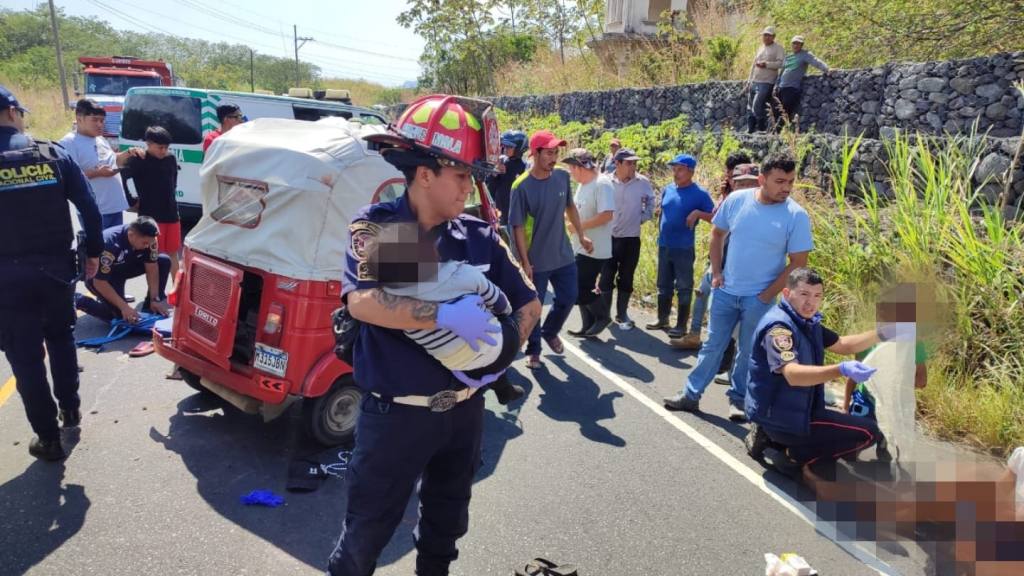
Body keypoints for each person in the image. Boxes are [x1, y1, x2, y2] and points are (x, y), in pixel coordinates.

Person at [326, 94, 541, 576]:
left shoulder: (477, 236)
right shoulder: (388, 228)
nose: (471, 186)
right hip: (397, 417)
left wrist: (499, 351)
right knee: (365, 536)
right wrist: (442, 317)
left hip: (465, 411)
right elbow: (365, 302)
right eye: (462, 175)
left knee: (445, 530)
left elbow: (529, 303)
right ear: (425, 173)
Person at [664, 153, 813, 421]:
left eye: (790, 181)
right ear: (761, 179)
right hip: (726, 292)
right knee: (712, 345)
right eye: (779, 181)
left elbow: (798, 263)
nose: (786, 188)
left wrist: (767, 294)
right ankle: (690, 394)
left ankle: (738, 400)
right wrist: (717, 273)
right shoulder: (736, 200)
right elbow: (717, 233)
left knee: (748, 351)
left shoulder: (795, 215)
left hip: (759, 299)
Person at [0, 85, 103, 461]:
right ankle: (70, 409)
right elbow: (89, 208)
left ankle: (48, 438)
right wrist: (94, 253)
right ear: (13, 112)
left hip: (5, 281)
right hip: (55, 271)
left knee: (24, 357)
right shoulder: (51, 153)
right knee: (60, 338)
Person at [742, 268, 915, 479]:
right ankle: (792, 455)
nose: (811, 303)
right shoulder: (779, 328)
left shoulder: (805, 321)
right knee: (869, 432)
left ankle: (771, 437)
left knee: (856, 428)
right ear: (787, 294)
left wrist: (885, 332)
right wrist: (840, 370)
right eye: (804, 294)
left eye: (817, 296)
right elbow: (792, 374)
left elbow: (843, 344)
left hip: (792, 410)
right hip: (784, 416)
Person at [510, 130, 592, 370]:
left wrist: (581, 234)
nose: (554, 157)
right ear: (535, 154)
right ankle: (533, 350)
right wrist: (524, 261)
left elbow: (570, 207)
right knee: (534, 308)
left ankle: (551, 331)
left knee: (569, 297)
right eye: (549, 152)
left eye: (556, 152)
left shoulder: (561, 177)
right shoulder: (521, 186)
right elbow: (516, 227)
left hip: (563, 254)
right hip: (536, 259)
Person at [671, 155, 755, 351]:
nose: (729, 175)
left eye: (733, 171)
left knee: (723, 308)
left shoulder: (749, 202)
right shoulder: (727, 193)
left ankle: (724, 352)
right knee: (701, 293)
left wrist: (700, 214)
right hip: (718, 258)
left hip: (733, 263)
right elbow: (717, 227)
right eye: (730, 172)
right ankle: (694, 335)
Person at [646, 154, 713, 340]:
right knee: (663, 284)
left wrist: (698, 213)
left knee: (683, 286)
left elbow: (715, 217)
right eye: (674, 169)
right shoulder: (668, 189)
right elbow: (662, 213)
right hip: (665, 245)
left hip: (684, 247)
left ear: (691, 171)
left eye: (680, 169)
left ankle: (681, 325)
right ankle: (662, 319)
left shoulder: (699, 194)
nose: (676, 173)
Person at [59, 98, 141, 230]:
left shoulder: (100, 139)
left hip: (114, 206)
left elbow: (112, 160)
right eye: (95, 120)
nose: (100, 124)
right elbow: (68, 178)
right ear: (79, 118)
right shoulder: (68, 143)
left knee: (113, 249)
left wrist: (129, 153)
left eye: (102, 121)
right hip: (95, 210)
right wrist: (97, 173)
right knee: (98, 249)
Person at [561, 148, 616, 338]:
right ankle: (587, 324)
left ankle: (602, 316)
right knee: (579, 285)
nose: (570, 171)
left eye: (571, 167)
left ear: (580, 166)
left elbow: (607, 215)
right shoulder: (584, 185)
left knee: (578, 285)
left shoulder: (602, 184)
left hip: (594, 247)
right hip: (580, 245)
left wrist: (578, 227)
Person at [74, 217, 171, 323]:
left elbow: (152, 268)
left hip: (122, 267)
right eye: (145, 243)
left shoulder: (149, 239)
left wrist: (154, 299)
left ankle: (149, 308)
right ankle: (78, 300)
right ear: (131, 235)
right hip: (100, 278)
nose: (147, 246)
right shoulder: (109, 244)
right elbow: (99, 282)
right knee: (121, 317)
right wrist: (124, 307)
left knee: (163, 261)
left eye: (149, 243)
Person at [600, 148, 654, 330]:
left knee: (627, 277)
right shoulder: (606, 181)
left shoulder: (642, 182)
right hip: (608, 237)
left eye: (635, 163)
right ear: (618, 163)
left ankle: (621, 313)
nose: (633, 166)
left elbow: (651, 201)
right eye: (629, 163)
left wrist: (643, 217)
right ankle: (604, 314)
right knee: (606, 276)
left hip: (631, 238)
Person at [122, 126, 182, 284]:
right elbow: (125, 179)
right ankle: (155, 294)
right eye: (160, 147)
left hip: (171, 213)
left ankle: (177, 290)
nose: (164, 151)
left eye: (166, 147)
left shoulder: (170, 159)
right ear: (148, 144)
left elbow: (173, 183)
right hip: (151, 216)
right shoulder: (138, 160)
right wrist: (132, 201)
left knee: (173, 253)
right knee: (154, 257)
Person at [777, 36, 830, 126]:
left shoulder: (805, 55)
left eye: (798, 43)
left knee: (785, 109)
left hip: (792, 88)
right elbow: (782, 71)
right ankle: (782, 131)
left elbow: (815, 61)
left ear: (802, 45)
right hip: (782, 87)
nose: (796, 45)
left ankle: (778, 131)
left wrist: (827, 69)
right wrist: (776, 85)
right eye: (794, 43)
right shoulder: (789, 56)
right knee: (778, 110)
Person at [484, 130, 528, 226]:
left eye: (510, 146)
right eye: (505, 146)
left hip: (514, 215)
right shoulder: (501, 162)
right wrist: (494, 173)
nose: (506, 148)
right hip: (498, 213)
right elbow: (489, 189)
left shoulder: (524, 167)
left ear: (519, 149)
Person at [747, 27, 785, 133]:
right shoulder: (760, 48)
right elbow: (753, 64)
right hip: (755, 80)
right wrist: (749, 80)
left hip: (766, 82)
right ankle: (750, 129)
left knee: (757, 105)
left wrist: (766, 64)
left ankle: (761, 127)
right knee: (749, 106)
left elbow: (781, 63)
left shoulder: (778, 48)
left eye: (768, 35)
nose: (766, 37)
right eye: (764, 35)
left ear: (773, 37)